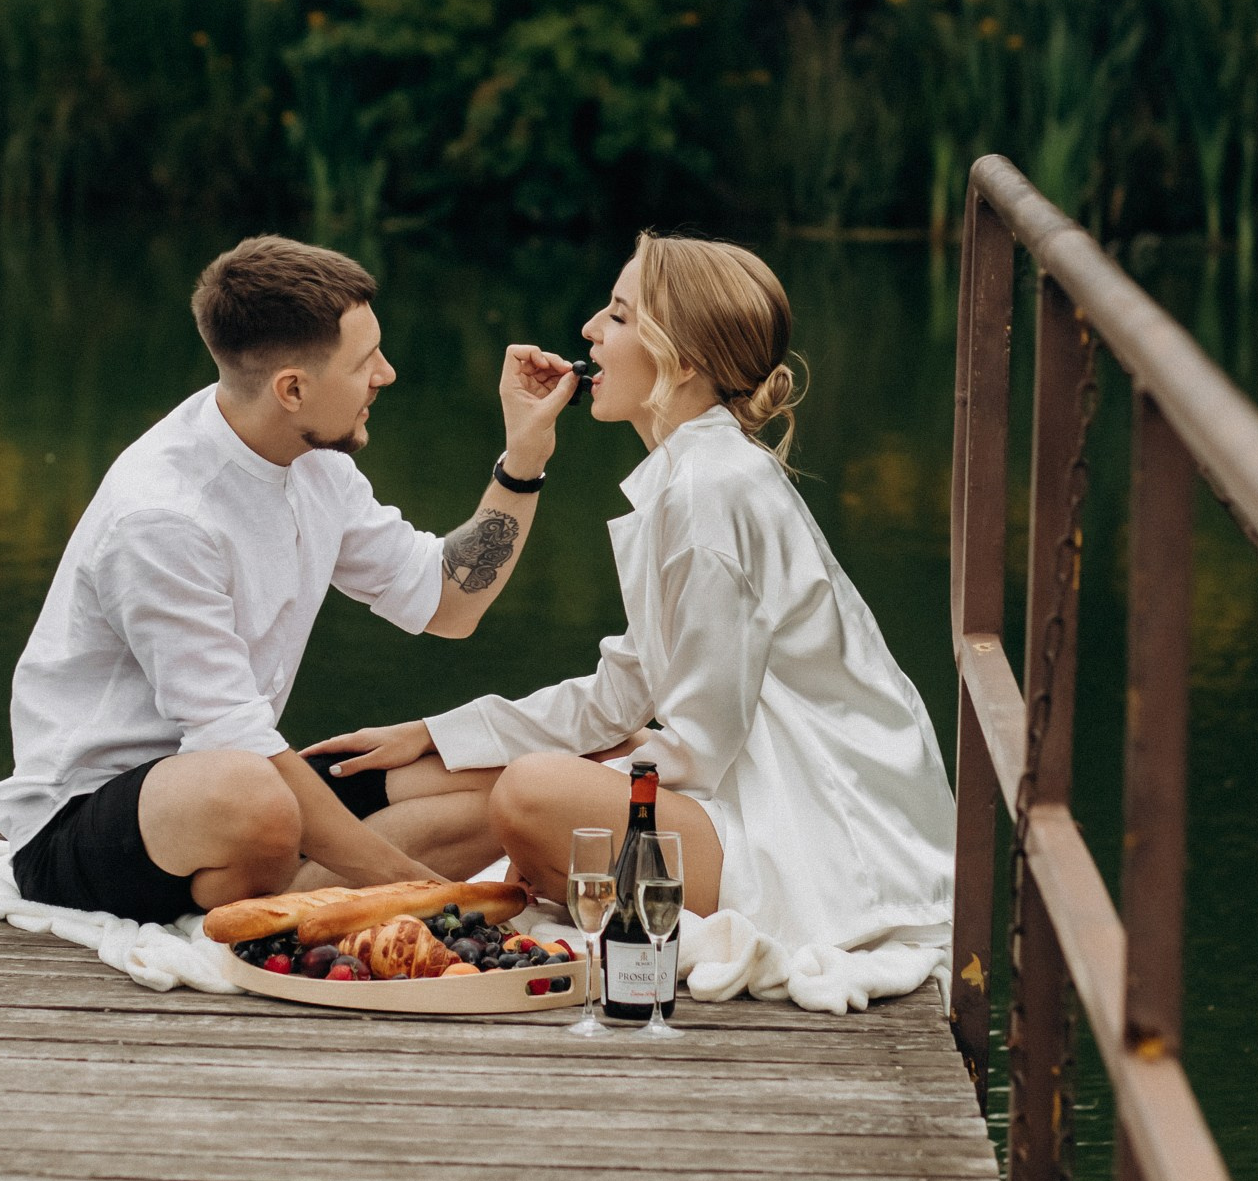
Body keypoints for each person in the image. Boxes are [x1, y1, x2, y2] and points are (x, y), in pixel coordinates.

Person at [308, 233, 956, 963]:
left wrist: (551, 794)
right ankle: (345, 870)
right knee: (487, 775)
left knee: (528, 793)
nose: (587, 330)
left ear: (680, 359)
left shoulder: (711, 491)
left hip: (816, 842)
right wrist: (437, 734)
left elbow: (699, 748)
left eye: (617, 316)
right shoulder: (692, 476)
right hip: (756, 802)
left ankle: (392, 876)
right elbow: (622, 691)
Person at [0, 235, 580, 923]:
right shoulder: (162, 517)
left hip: (239, 772)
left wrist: (524, 456)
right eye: (365, 363)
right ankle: (346, 898)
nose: (386, 374)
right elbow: (234, 739)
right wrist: (426, 891)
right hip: (87, 821)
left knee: (495, 775)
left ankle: (305, 901)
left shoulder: (312, 457)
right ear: (292, 389)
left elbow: (450, 601)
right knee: (251, 793)